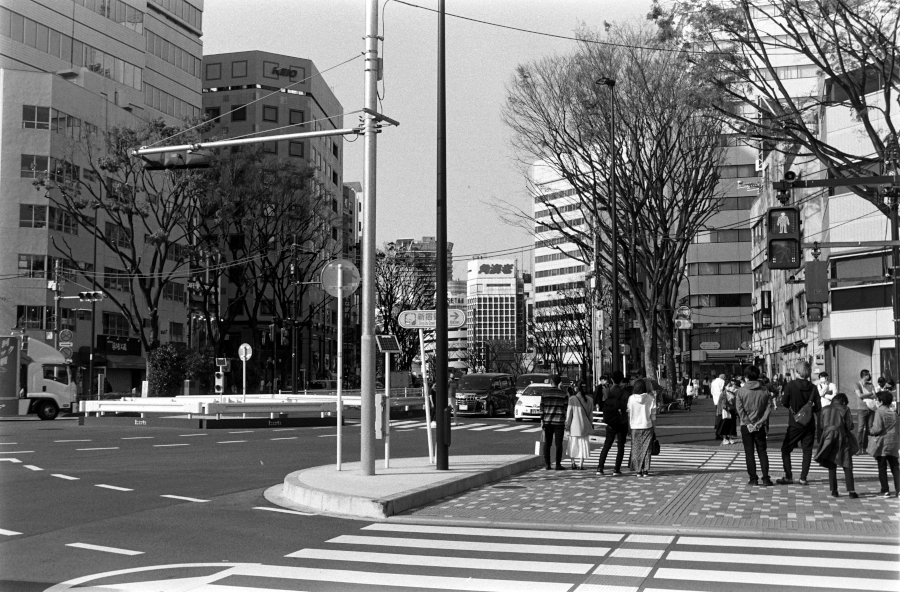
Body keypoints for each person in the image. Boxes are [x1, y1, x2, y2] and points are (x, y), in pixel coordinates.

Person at [777, 361, 821, 485]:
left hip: (795, 423)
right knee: (807, 450)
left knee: (786, 449)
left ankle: (789, 476)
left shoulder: (791, 385)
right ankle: (803, 477)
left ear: (797, 372)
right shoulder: (813, 387)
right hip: (809, 423)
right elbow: (818, 407)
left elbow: (784, 402)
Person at [735, 365, 774, 486]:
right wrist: (760, 422)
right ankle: (766, 478)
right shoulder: (764, 390)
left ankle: (753, 478)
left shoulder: (740, 391)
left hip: (746, 426)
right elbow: (769, 408)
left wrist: (748, 423)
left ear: (746, 377)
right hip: (760, 425)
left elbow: (739, 409)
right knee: (762, 451)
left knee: (749, 452)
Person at [814, 393, 858, 498]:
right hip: (841, 437)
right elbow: (850, 426)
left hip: (827, 437)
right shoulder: (845, 409)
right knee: (847, 463)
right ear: (843, 401)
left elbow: (820, 425)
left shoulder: (824, 409)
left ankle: (834, 490)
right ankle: (851, 491)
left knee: (831, 463)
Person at [868, 391, 900, 497]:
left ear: (881, 402)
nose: (876, 401)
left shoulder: (879, 412)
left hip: (882, 444)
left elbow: (877, 428)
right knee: (895, 468)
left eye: (877, 400)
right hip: (893, 443)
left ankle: (885, 490)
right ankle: (899, 490)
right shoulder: (894, 413)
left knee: (882, 467)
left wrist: (871, 431)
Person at [597, 371, 629, 475]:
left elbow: (605, 404)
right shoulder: (625, 393)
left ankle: (600, 468)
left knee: (607, 445)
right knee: (620, 446)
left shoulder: (607, 391)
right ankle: (616, 469)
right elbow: (626, 408)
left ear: (612, 379)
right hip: (622, 421)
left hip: (610, 421)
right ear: (621, 380)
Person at [627, 378, 657, 477]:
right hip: (647, 426)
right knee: (647, 449)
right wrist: (654, 427)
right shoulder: (650, 398)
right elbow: (653, 415)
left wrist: (629, 426)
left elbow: (629, 412)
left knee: (636, 449)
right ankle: (645, 470)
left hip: (634, 426)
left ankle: (638, 470)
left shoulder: (631, 398)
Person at [540, 374, 569, 470]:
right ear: (559, 382)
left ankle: (547, 464)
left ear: (551, 381)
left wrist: (542, 420)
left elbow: (542, 408)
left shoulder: (544, 393)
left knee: (547, 443)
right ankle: (558, 464)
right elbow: (565, 408)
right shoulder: (563, 394)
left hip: (547, 421)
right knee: (559, 444)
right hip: (559, 421)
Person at [565, 381, 594, 470]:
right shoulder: (590, 399)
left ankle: (573, 463)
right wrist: (591, 424)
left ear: (576, 388)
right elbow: (590, 415)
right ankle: (581, 464)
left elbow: (569, 414)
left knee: (573, 444)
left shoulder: (572, 399)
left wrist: (567, 425)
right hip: (585, 426)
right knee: (583, 445)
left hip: (574, 426)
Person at [854, 370, 877, 453]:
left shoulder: (871, 384)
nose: (870, 376)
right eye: (868, 375)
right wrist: (871, 393)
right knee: (860, 428)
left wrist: (868, 394)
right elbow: (859, 395)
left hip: (871, 408)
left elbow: (875, 395)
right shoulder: (857, 384)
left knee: (869, 429)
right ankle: (858, 448)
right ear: (865, 375)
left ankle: (865, 447)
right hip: (861, 408)